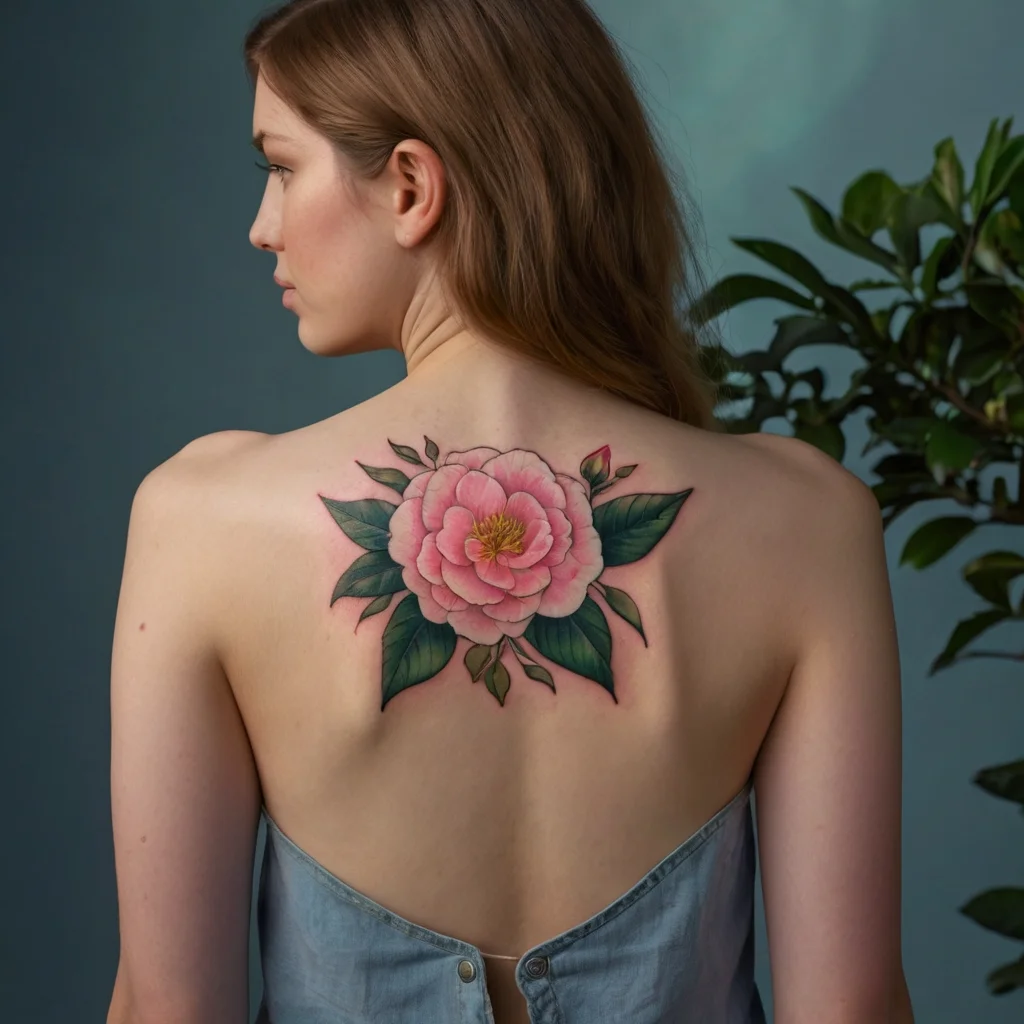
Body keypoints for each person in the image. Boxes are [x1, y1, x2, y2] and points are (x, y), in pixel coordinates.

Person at [106, 1, 915, 1022]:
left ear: (409, 185)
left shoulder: (204, 523)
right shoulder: (806, 521)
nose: (261, 224)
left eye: (280, 164)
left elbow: (167, 1010)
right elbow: (849, 1010)